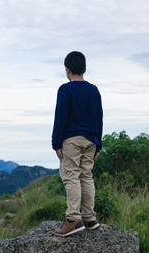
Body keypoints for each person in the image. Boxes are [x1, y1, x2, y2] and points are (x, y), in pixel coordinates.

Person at [51, 51, 103, 237]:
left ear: (67, 70)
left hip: (71, 140)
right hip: (91, 139)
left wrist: (56, 142)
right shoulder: (94, 90)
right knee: (86, 176)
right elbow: (99, 117)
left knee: (71, 176)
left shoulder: (65, 90)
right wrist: (98, 143)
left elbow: (60, 117)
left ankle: (73, 220)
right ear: (84, 69)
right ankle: (89, 218)